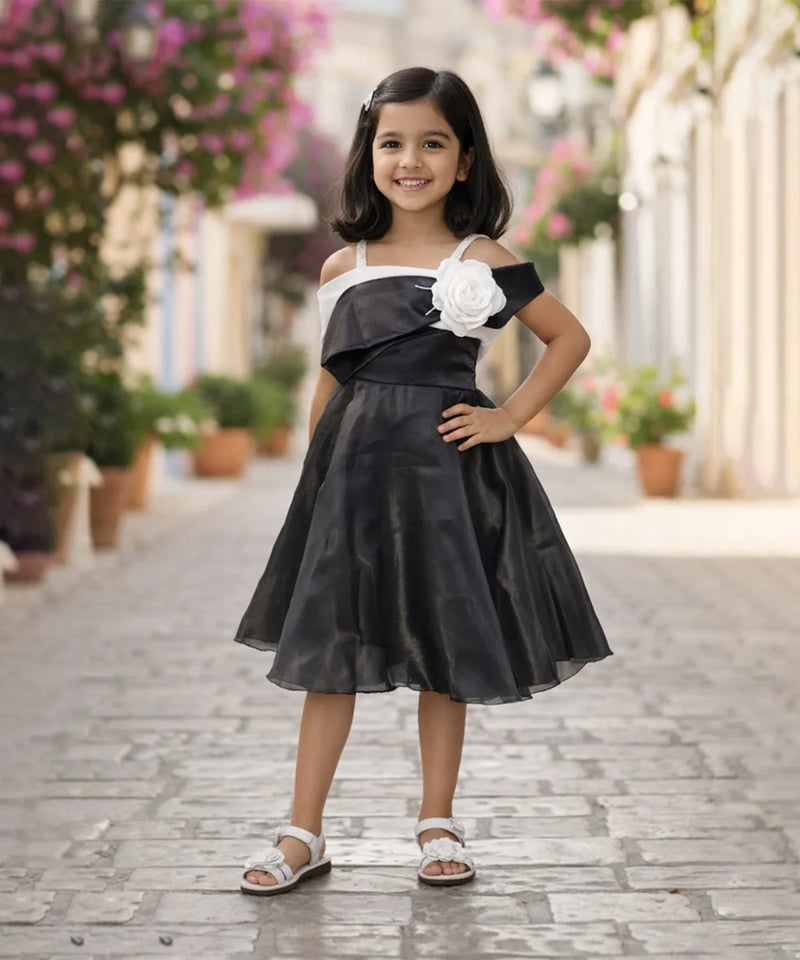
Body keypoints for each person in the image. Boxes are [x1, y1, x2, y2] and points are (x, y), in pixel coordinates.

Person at [234, 66, 612, 896]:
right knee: (329, 645)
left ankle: (437, 821)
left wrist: (508, 417)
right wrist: (317, 481)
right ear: (369, 153)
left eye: (433, 143)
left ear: (465, 159)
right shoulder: (344, 266)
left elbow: (569, 338)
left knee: (447, 642)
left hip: (447, 483)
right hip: (353, 483)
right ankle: (302, 832)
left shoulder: (482, 259)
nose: (411, 161)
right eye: (393, 143)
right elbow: (330, 381)